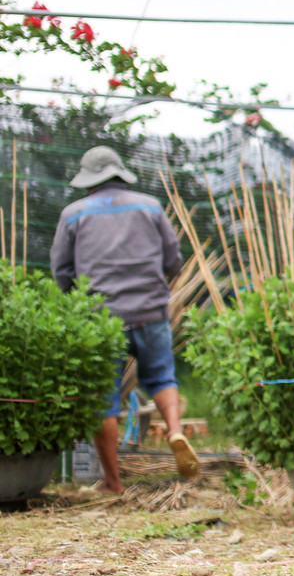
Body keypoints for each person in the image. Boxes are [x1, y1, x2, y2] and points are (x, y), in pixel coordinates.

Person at [49, 146, 199, 492]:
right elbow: (174, 260)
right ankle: (175, 430)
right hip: (151, 311)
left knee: (104, 398)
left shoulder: (73, 214)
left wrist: (78, 302)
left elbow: (61, 270)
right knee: (161, 377)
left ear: (89, 181)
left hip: (102, 319)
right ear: (120, 173)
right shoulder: (149, 206)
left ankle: (113, 482)